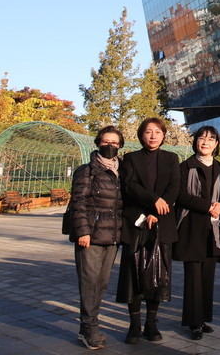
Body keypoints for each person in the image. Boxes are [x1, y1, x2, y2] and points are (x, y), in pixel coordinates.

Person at [116, 117, 180, 344]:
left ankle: (151, 324)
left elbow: (174, 188)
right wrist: (154, 200)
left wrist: (158, 211)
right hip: (135, 224)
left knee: (157, 276)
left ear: (164, 135)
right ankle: (133, 325)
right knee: (133, 276)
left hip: (162, 223)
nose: (153, 135)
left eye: (157, 132)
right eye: (148, 132)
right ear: (141, 135)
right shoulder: (131, 159)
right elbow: (129, 186)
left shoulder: (172, 159)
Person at [69, 126, 125, 350]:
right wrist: (83, 231)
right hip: (91, 236)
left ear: (120, 146)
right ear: (98, 143)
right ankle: (88, 327)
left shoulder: (123, 171)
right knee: (89, 282)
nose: (110, 146)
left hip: (112, 236)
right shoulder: (87, 171)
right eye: (106, 141)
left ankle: (91, 324)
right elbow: (78, 203)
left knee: (101, 283)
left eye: (114, 142)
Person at [174, 126, 220, 341]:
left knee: (207, 276)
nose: (205, 142)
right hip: (191, 228)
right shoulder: (185, 166)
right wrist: (207, 206)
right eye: (201, 138)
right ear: (195, 142)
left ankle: (203, 319)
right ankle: (193, 322)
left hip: (213, 229)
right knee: (193, 277)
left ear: (216, 144)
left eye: (211, 139)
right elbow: (181, 194)